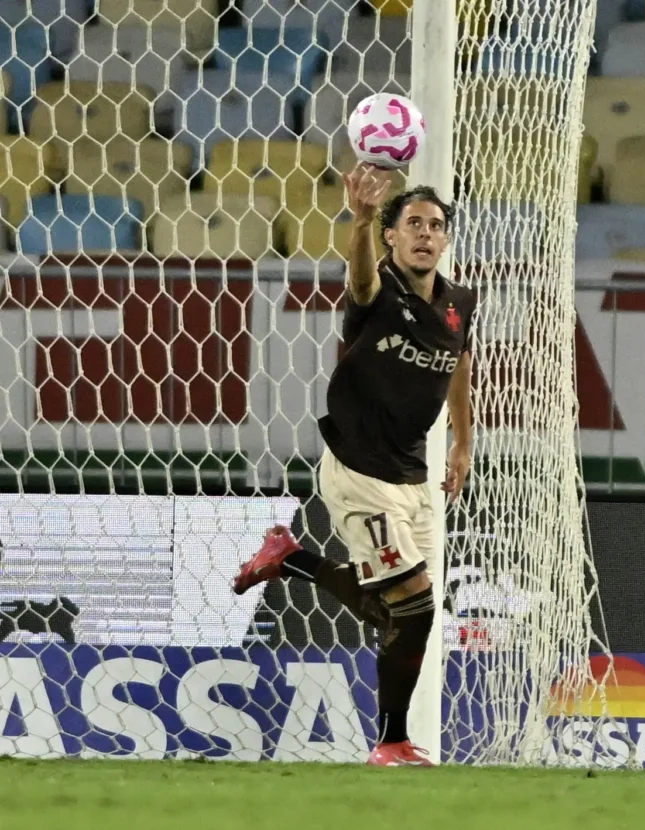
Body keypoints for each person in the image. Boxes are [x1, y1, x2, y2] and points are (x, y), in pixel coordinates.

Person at [232, 167, 476, 768]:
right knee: (416, 605)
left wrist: (463, 442)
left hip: (413, 475)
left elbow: (459, 365)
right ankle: (391, 743)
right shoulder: (379, 289)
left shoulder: (459, 304)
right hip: (358, 468)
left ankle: (289, 558)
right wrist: (361, 221)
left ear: (446, 239)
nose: (425, 234)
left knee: (392, 610)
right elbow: (361, 281)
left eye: (435, 225)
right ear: (393, 236)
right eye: (413, 224)